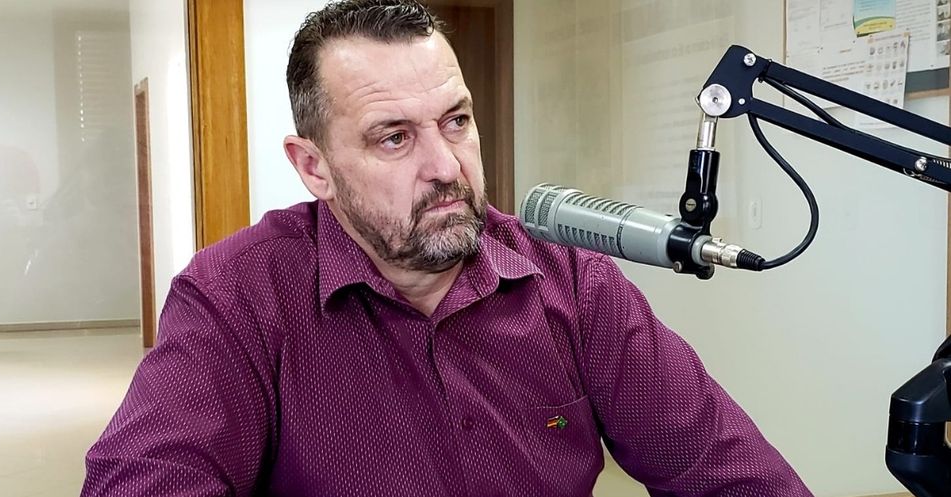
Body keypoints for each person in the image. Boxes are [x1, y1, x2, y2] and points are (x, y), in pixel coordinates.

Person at [82, 1, 812, 495]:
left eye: (456, 121)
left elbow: (729, 471)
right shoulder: (237, 296)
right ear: (314, 168)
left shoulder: (574, 286)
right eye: (394, 137)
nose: (445, 166)